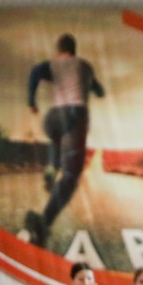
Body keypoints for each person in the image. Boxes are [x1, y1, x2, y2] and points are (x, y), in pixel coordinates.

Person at [21, 33, 105, 250]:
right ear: (74, 49)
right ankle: (44, 222)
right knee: (72, 174)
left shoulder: (53, 64)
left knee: (58, 143)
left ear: (59, 49)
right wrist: (96, 90)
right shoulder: (85, 66)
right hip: (74, 115)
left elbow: (35, 72)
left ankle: (51, 168)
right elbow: (98, 90)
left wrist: (31, 101)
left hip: (53, 117)